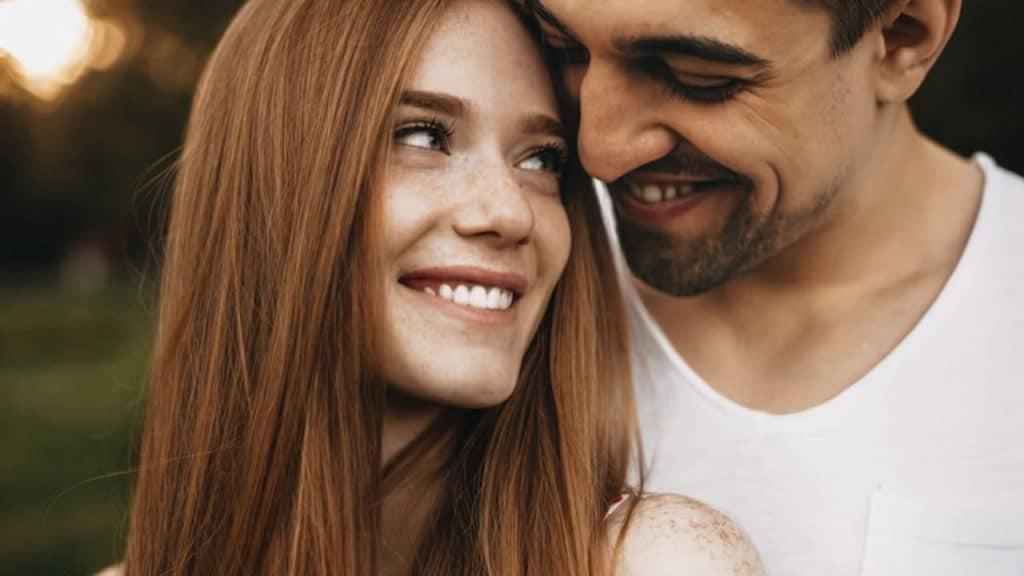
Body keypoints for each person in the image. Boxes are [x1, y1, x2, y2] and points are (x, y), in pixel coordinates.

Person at [111, 0, 765, 575]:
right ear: (274, 182)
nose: (509, 213)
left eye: (542, 159)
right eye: (424, 137)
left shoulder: (656, 562)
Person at [523, 0, 1024, 574]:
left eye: (700, 79)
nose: (599, 152)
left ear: (904, 36)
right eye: (564, 50)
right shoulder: (498, 270)